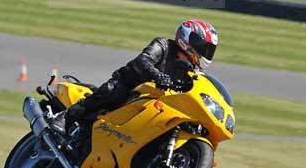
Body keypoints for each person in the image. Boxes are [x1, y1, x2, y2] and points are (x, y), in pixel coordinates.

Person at [49, 18, 218, 137]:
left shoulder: (190, 69)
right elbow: (142, 61)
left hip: (155, 100)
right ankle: (66, 116)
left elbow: (197, 86)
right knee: (112, 92)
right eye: (204, 47)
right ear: (187, 40)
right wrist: (158, 75)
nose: (206, 53)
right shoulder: (163, 45)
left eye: (209, 49)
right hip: (130, 86)